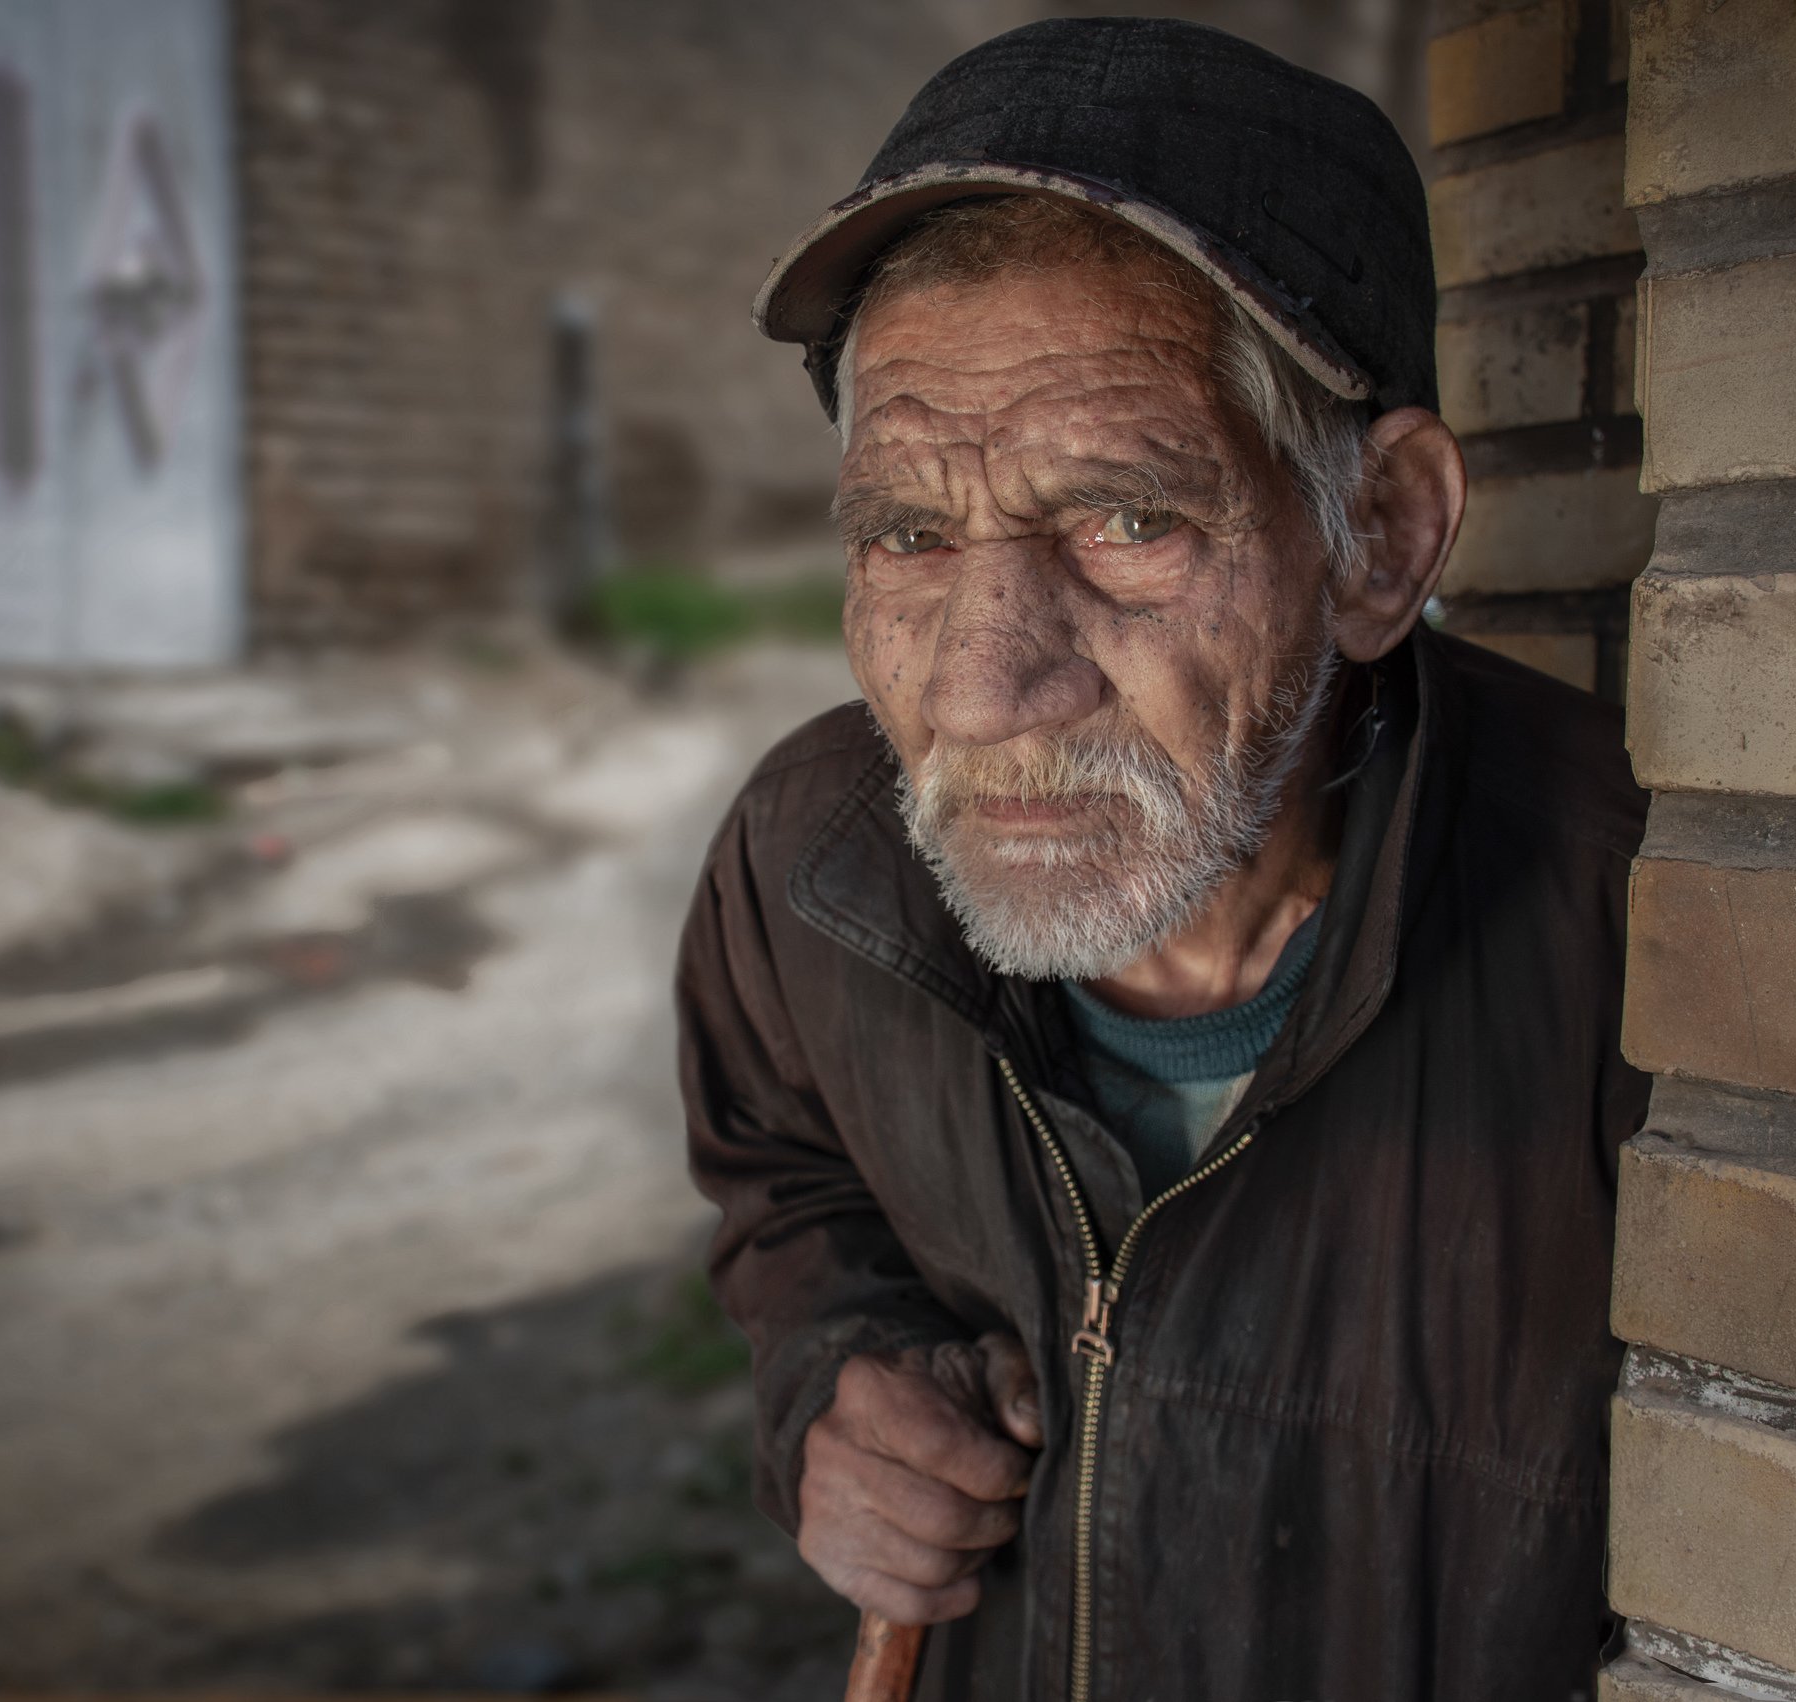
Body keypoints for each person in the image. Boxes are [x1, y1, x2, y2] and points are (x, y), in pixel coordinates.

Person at [678, 18, 1648, 1700]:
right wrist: (836, 1374)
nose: (982, 687)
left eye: (1127, 520)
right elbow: (790, 1177)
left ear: (1382, 536)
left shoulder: (1643, 935)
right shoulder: (813, 863)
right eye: (909, 532)